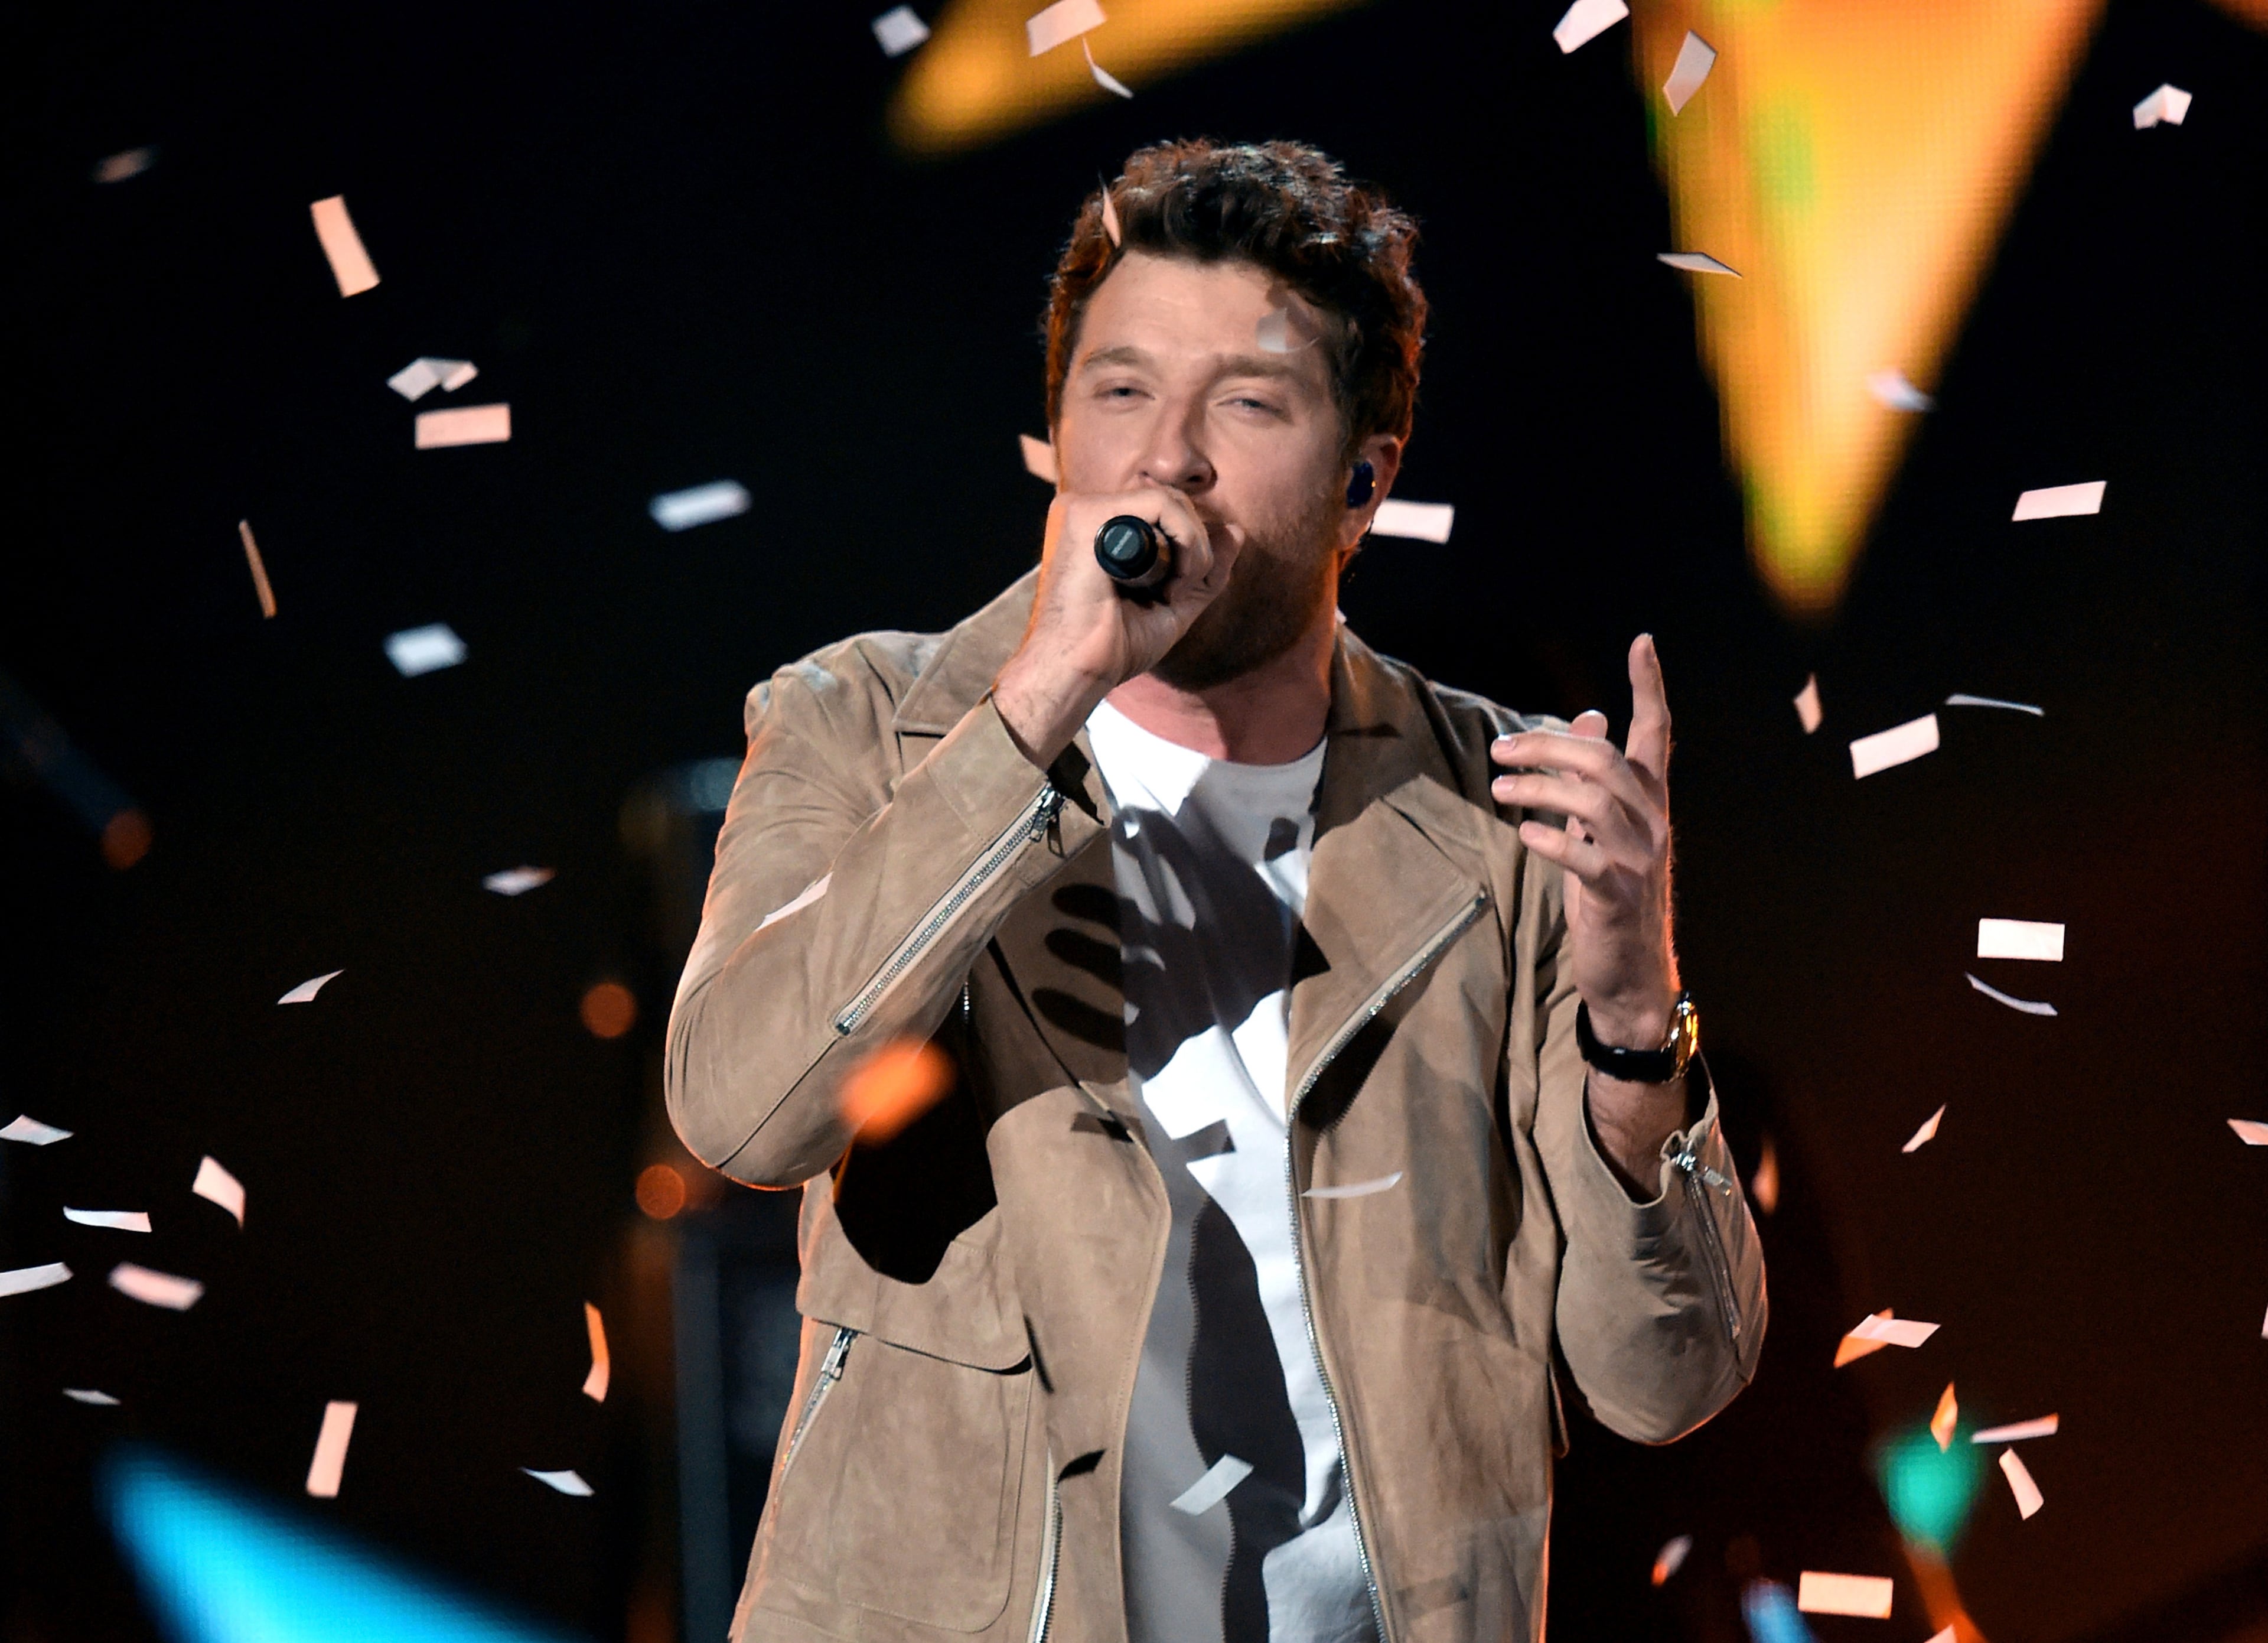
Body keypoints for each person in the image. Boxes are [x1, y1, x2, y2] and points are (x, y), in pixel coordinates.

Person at [666, 138, 1765, 1643]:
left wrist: (1636, 1012)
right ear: (1054, 436)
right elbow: (744, 1112)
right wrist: (1032, 712)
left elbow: (1665, 1379)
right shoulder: (867, 724)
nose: (1164, 455)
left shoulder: (1501, 811)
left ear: (1364, 483)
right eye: (1118, 391)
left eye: (1243, 403)